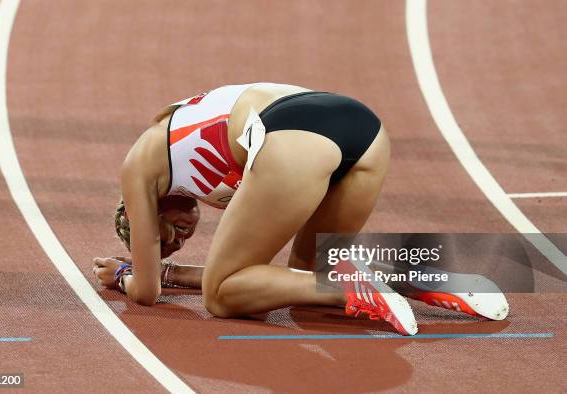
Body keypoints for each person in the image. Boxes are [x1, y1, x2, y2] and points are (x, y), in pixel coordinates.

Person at [92, 83, 508, 336]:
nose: (182, 236)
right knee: (304, 279)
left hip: (296, 129)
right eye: (179, 243)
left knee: (222, 297)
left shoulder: (138, 168)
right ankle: (414, 279)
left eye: (167, 235)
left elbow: (146, 293)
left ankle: (353, 285)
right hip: (362, 129)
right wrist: (174, 272)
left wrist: (128, 272)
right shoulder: (197, 171)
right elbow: (266, 277)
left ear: (139, 212)